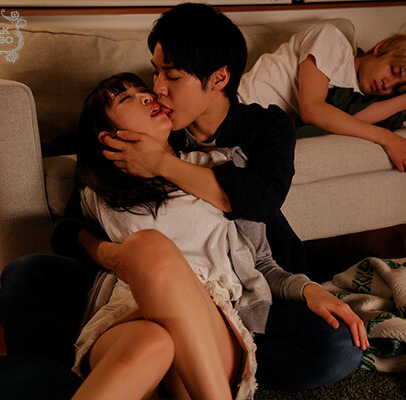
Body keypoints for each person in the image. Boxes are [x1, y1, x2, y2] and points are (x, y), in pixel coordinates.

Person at [1, 3, 365, 393]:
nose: (156, 88)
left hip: (241, 290)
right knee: (25, 273)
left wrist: (161, 163)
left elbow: (260, 203)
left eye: (171, 76)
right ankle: (163, 364)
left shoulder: (261, 129)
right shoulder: (152, 127)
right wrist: (115, 257)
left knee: (338, 346)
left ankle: (186, 362)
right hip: (139, 289)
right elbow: (75, 221)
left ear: (219, 77)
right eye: (155, 72)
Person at [70, 72, 368, 399]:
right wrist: (109, 254)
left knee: (148, 246)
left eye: (144, 90)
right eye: (127, 98)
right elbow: (67, 233)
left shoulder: (218, 167)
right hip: (127, 314)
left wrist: (307, 288)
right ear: (108, 136)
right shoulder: (98, 191)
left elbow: (261, 263)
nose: (148, 95)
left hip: (211, 322)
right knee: (154, 341)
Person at [238, 23, 406, 173]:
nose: (388, 84)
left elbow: (348, 121)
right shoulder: (332, 39)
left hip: (256, 132)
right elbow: (313, 110)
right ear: (381, 48)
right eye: (394, 71)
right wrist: (388, 138)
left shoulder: (356, 98)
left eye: (396, 88)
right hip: (237, 108)